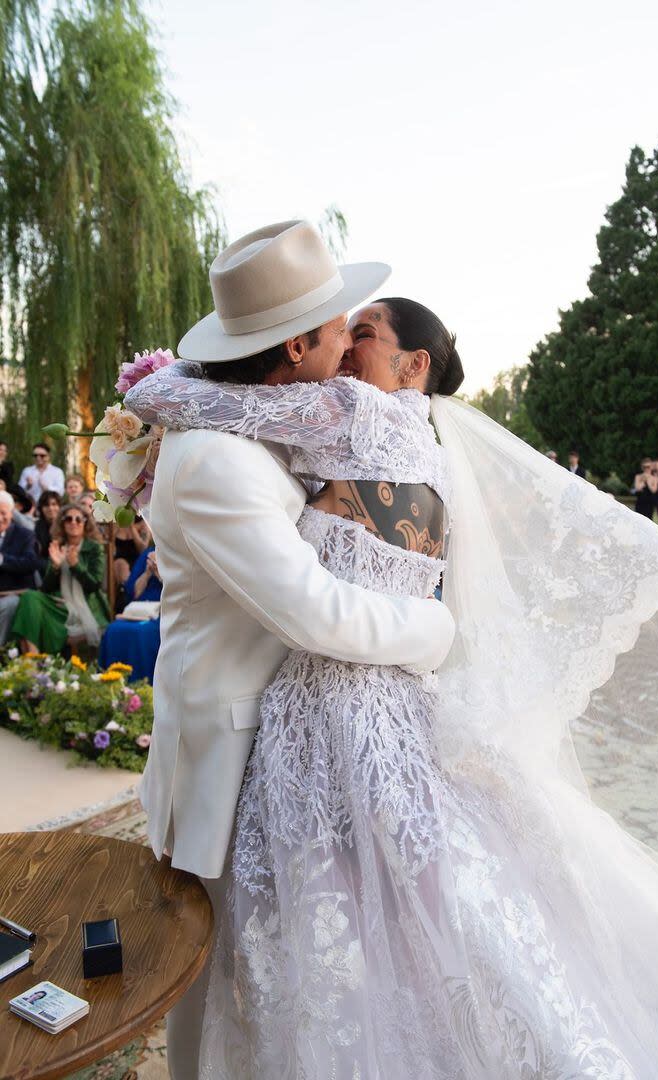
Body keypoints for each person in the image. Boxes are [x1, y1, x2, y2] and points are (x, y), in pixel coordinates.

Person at [131, 287, 658, 1075]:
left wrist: (171, 378)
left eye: (362, 334)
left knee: (324, 920)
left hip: (328, 700)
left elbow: (164, 395)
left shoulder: (350, 412)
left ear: (414, 366)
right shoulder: (427, 447)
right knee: (429, 905)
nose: (345, 348)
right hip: (393, 703)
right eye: (343, 331)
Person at [123, 221, 456, 1080]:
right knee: (216, 971)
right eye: (340, 325)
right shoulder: (215, 466)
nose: (350, 341)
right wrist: (434, 632)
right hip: (231, 747)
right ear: (299, 344)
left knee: (293, 969)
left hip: (302, 735)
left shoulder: (292, 422)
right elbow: (312, 609)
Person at [11, 503, 110, 653]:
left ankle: (33, 662)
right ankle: (33, 656)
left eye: (79, 519)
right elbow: (46, 588)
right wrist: (56, 567)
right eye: (68, 519)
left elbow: (94, 585)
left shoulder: (94, 548)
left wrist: (75, 565)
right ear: (62, 523)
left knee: (32, 605)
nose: (73, 523)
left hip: (86, 605)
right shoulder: (58, 547)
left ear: (86, 523)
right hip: (59, 604)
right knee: (29, 597)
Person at [99, 545, 162, 682]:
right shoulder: (149, 553)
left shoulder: (179, 553)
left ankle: (142, 682)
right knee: (114, 629)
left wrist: (160, 574)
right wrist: (147, 573)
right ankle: (112, 679)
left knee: (141, 632)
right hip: (140, 609)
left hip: (163, 610)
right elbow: (134, 593)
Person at [0, 490, 40, 644]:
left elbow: (30, 563)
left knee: (9, 605)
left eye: (3, 513)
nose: (0, 518)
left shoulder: (25, 535)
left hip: (14, 593)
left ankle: (2, 652)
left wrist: (3, 560)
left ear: (11, 514)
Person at [34, 490, 62, 569]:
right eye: (46, 505)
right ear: (41, 508)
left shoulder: (66, 524)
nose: (51, 508)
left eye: (54, 504)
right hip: (43, 565)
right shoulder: (37, 526)